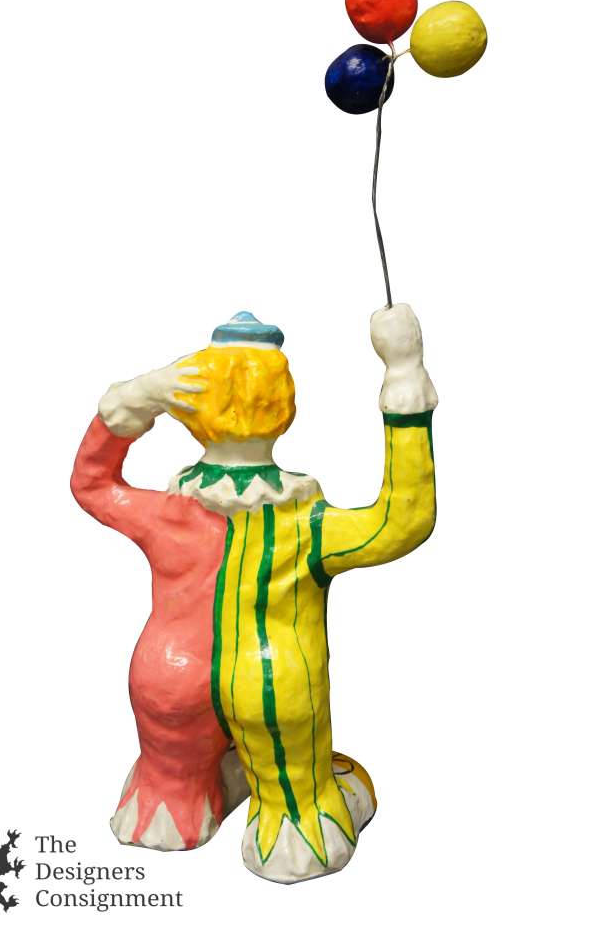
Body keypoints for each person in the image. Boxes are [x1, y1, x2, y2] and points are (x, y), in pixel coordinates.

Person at [71, 305, 437, 884]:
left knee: (166, 789)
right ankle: (292, 828)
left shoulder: (165, 513)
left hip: (168, 676)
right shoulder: (306, 525)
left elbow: (92, 484)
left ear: (186, 409)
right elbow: (401, 521)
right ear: (284, 407)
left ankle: (173, 804)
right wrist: (403, 372)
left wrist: (133, 399)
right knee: (299, 803)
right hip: (273, 683)